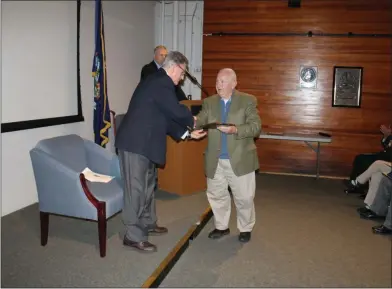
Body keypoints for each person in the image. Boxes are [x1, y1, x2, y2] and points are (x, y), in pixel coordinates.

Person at [115, 51, 206, 253]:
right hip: (135, 144)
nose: (182, 79)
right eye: (182, 74)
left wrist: (188, 134)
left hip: (145, 144)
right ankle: (132, 235)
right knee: (136, 190)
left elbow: (164, 117)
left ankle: (147, 222)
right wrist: (193, 119)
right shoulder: (160, 82)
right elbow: (175, 110)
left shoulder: (158, 84)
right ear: (176, 67)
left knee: (148, 186)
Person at [194, 68, 262, 243]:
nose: (218, 85)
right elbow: (201, 119)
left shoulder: (247, 101)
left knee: (244, 198)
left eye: (223, 82)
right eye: (217, 81)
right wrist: (192, 121)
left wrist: (235, 129)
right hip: (215, 160)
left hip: (240, 159)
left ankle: (245, 228)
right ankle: (221, 226)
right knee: (217, 195)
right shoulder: (209, 102)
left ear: (234, 83)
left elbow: (255, 127)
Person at [345, 124, 392, 190]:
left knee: (367, 162)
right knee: (359, 158)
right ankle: (355, 182)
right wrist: (386, 135)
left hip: (388, 159)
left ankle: (358, 183)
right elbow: (387, 145)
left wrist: (388, 135)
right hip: (384, 156)